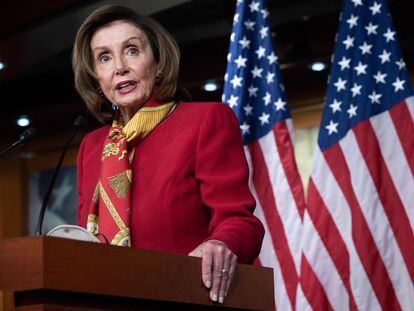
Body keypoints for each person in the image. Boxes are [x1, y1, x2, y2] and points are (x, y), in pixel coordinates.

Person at [73, 5, 264, 304]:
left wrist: (220, 242)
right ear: (97, 78)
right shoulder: (91, 146)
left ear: (159, 62)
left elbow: (240, 221)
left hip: (185, 297)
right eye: (104, 57)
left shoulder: (205, 121)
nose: (119, 66)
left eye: (132, 51)